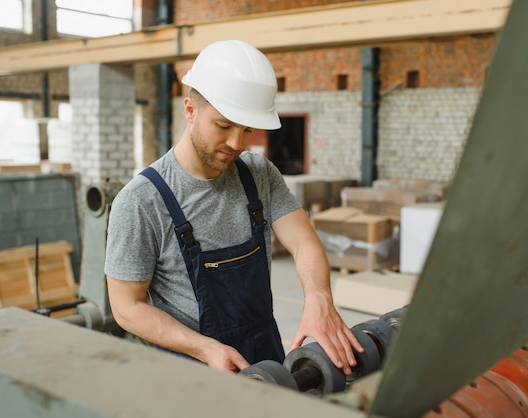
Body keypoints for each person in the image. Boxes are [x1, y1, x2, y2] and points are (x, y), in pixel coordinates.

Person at [104, 39, 363, 374]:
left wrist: (319, 298)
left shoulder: (258, 174)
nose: (236, 144)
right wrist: (205, 348)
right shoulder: (141, 201)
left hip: (266, 354)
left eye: (248, 130)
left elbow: (302, 241)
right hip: (194, 368)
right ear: (190, 110)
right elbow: (126, 307)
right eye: (224, 126)